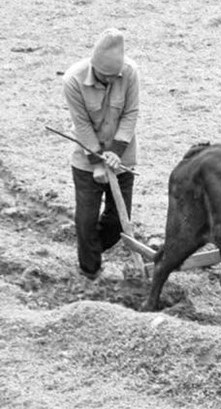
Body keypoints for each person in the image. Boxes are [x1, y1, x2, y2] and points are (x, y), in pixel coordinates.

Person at [62, 28, 140, 280]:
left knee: (118, 222)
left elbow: (130, 113)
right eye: (104, 77)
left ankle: (90, 249)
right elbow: (82, 125)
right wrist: (97, 163)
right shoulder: (73, 80)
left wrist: (116, 153)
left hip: (123, 158)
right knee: (85, 220)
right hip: (86, 159)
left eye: (113, 77)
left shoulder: (129, 73)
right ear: (94, 65)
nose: (109, 82)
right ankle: (89, 271)